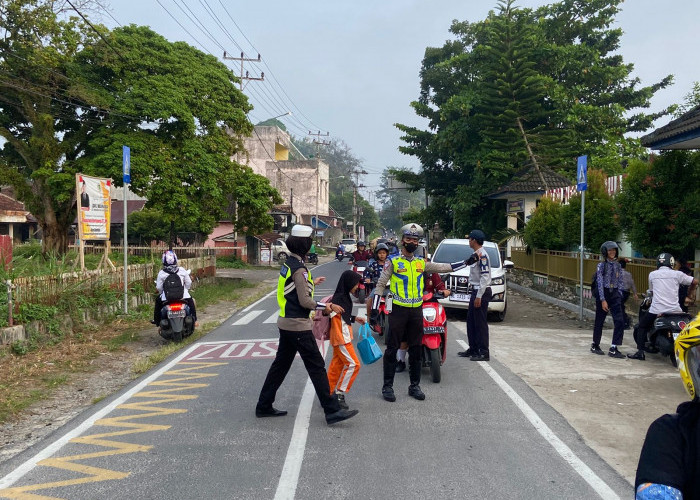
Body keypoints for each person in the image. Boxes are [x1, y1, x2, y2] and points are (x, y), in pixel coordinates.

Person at [256, 224, 359, 425]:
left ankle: (264, 405)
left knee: (280, 366)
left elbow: (292, 289)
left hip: (285, 322)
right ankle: (332, 410)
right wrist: (326, 305)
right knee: (316, 366)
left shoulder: (289, 264)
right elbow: (305, 301)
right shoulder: (300, 269)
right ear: (305, 244)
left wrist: (312, 281)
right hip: (298, 325)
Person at [372, 223, 472, 402]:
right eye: (408, 239)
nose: (411, 242)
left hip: (416, 310)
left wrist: (465, 262)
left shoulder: (421, 263)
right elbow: (380, 284)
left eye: (415, 239)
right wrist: (374, 308)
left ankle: (414, 386)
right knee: (392, 349)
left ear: (418, 243)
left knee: (416, 349)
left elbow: (443, 268)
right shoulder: (393, 261)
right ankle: (387, 387)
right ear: (402, 241)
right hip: (397, 310)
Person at [633, 314, 700, 499]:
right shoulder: (673, 434)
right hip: (676, 313)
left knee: (643, 325)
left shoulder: (672, 432)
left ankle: (640, 349)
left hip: (665, 314)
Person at [628, 253, 698, 361]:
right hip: (676, 311)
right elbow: (695, 281)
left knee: (641, 326)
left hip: (657, 310)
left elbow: (651, 291)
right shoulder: (677, 274)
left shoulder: (652, 274)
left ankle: (640, 352)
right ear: (671, 263)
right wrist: (691, 291)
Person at [327, 270, 365, 410]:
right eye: (355, 283)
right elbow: (330, 314)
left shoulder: (344, 297)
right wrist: (330, 308)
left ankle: (327, 394)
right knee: (354, 365)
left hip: (342, 337)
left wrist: (355, 318)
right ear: (348, 283)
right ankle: (339, 393)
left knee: (336, 366)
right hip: (341, 338)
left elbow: (344, 316)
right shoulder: (338, 299)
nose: (357, 286)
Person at [456, 230, 493, 361]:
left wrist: (479, 296)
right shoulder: (476, 254)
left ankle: (483, 352)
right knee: (471, 321)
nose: (469, 241)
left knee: (480, 323)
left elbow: (485, 276)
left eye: (470, 239)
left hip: (481, 292)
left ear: (475, 241)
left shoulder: (482, 255)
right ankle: (473, 348)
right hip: (476, 290)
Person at [590, 241, 626, 358]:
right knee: (599, 321)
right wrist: (602, 299)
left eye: (614, 250)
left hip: (614, 294)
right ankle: (595, 344)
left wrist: (619, 294)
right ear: (605, 252)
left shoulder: (618, 265)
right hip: (604, 293)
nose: (612, 252)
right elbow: (599, 283)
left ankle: (614, 347)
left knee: (620, 320)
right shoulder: (601, 265)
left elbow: (620, 280)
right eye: (610, 250)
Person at [153, 250, 197, 325]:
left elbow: (159, 287)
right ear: (175, 260)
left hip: (167, 298)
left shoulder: (161, 273)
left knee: (158, 302)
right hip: (183, 296)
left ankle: (157, 322)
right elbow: (188, 282)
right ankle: (195, 321)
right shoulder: (182, 270)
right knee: (191, 302)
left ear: (163, 261)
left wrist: (162, 293)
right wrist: (186, 290)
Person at [364, 242, 390, 319]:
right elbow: (367, 272)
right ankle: (369, 317)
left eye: (384, 253)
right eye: (380, 253)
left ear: (386, 254)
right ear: (376, 254)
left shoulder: (390, 264)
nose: (382, 255)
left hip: (390, 288)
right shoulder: (374, 264)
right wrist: (368, 277)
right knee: (369, 299)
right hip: (378, 288)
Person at [620, 258, 637, 329]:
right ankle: (625, 322)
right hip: (626, 292)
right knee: (621, 306)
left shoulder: (617, 273)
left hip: (619, 292)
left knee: (619, 307)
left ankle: (625, 322)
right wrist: (635, 293)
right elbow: (632, 284)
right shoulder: (628, 274)